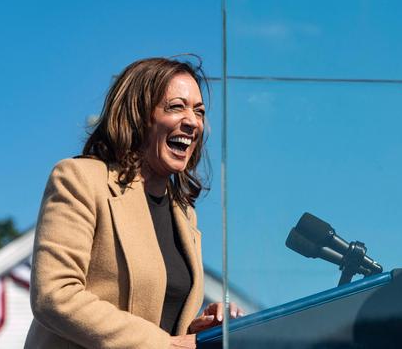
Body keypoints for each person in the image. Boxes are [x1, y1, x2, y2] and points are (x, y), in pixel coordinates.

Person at [24, 57, 242, 349]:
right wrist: (165, 345)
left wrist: (194, 329)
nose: (192, 121)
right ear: (137, 115)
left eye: (199, 112)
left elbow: (155, 323)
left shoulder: (184, 214)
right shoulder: (80, 179)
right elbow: (55, 295)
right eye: (176, 106)